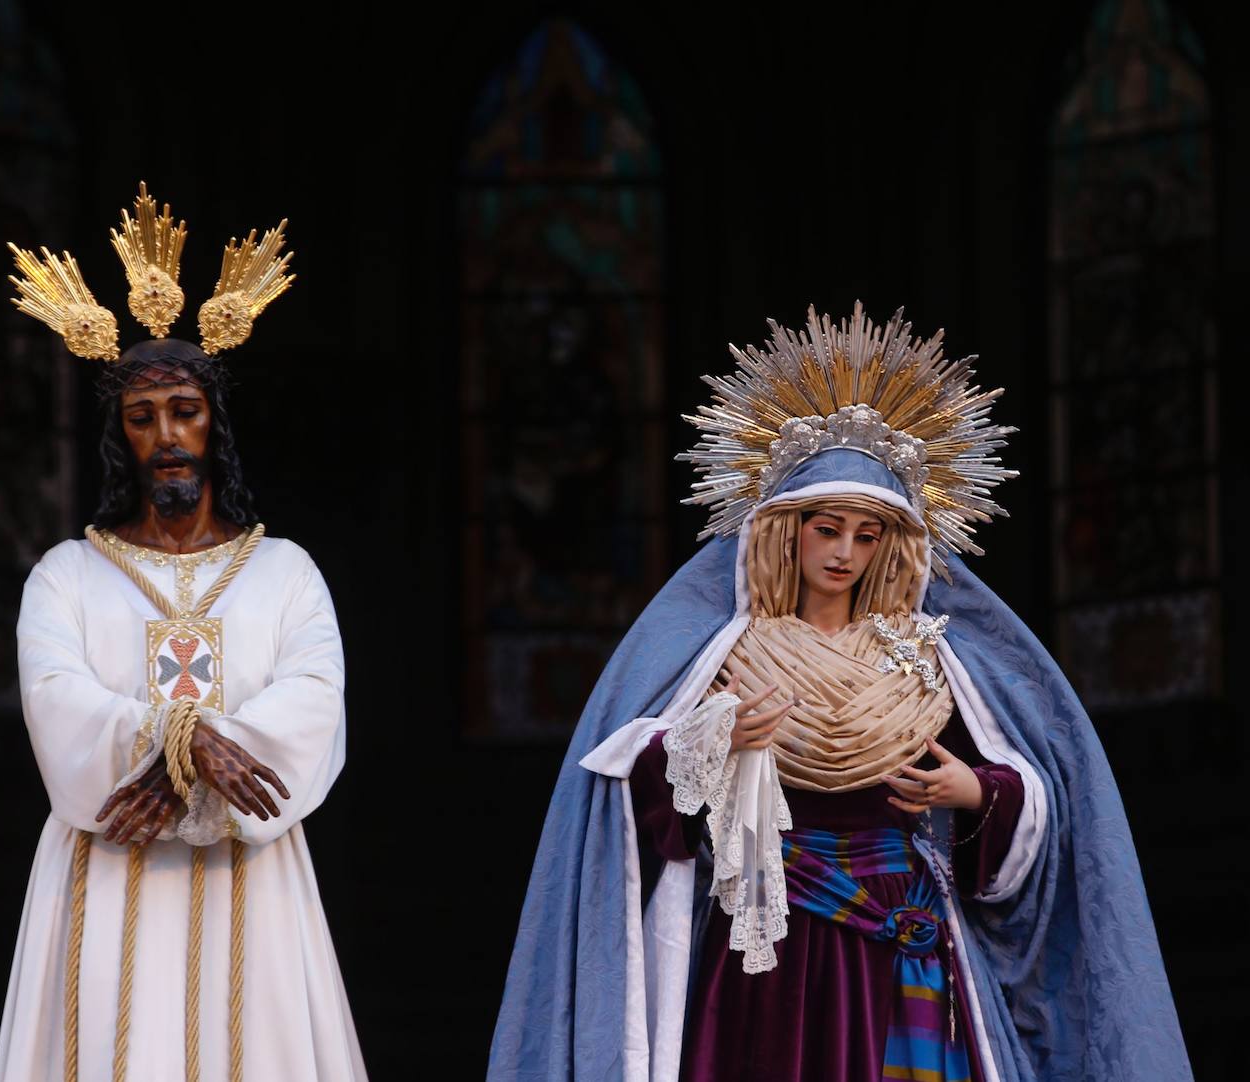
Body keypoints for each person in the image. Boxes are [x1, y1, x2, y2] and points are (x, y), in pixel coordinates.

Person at [489, 302, 1191, 1081]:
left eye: (867, 535)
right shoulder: (728, 651)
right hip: (768, 932)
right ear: (785, 528)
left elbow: (1040, 787)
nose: (845, 553)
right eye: (827, 528)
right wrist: (713, 741)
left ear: (894, 543)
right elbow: (630, 792)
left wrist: (978, 791)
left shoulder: (930, 658)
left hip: (903, 920)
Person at [0, 184, 368, 1082]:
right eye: (142, 416)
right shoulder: (64, 576)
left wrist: (191, 777)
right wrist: (185, 742)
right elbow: (56, 703)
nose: (167, 435)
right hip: (106, 868)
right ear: (119, 435)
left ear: (215, 422)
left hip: (253, 875)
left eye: (185, 411)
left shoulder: (286, 572)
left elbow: (314, 701)